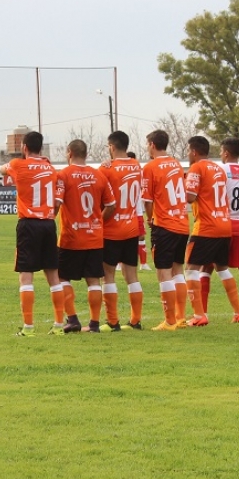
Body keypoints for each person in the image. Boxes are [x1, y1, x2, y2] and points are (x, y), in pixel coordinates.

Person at [0, 131, 67, 337]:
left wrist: (7, 169)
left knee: (26, 277)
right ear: (41, 148)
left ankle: (28, 327)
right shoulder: (50, 168)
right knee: (53, 277)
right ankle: (58, 325)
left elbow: (3, 169)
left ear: (24, 148)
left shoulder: (18, 165)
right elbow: (56, 201)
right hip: (48, 223)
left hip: (28, 224)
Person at [183, 136, 239, 326]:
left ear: (194, 151)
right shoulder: (218, 168)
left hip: (206, 226)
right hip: (224, 225)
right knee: (222, 268)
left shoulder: (196, 168)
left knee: (190, 269)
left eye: (188, 150)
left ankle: (199, 315)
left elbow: (190, 197)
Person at [55, 139, 116, 333]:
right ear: (86, 153)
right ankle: (95, 324)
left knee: (62, 277)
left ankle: (72, 319)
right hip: (94, 236)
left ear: (69, 153)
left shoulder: (63, 175)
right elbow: (112, 205)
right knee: (94, 280)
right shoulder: (98, 176)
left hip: (71, 237)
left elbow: (56, 202)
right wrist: (98, 220)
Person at [200, 137, 239, 320]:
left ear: (226, 153)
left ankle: (202, 313)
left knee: (207, 268)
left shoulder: (218, 171)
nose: (220, 155)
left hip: (219, 226)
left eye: (220, 151)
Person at [141, 129, 189, 331]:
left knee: (164, 273)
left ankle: (169, 321)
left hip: (165, 225)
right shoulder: (177, 164)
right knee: (178, 271)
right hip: (182, 223)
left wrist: (150, 218)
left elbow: (148, 199)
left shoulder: (150, 167)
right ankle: (181, 317)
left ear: (152, 144)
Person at [99, 133, 145, 331]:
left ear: (111, 146)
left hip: (112, 228)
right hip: (131, 226)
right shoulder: (136, 165)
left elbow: (103, 198)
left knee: (107, 275)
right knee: (131, 275)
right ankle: (135, 321)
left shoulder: (107, 169)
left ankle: (113, 321)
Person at [127, 151, 152, 271]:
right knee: (124, 238)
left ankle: (143, 263)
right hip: (125, 211)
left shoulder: (140, 172)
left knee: (141, 236)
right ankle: (119, 263)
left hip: (137, 210)